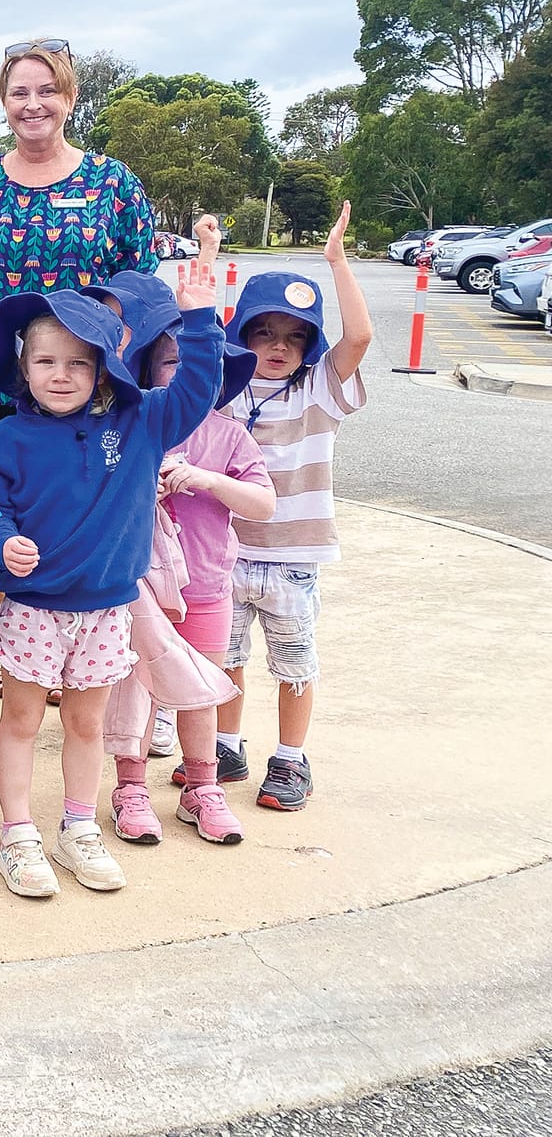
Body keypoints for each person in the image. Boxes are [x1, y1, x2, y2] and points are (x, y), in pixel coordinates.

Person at [0, 256, 220, 899]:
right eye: (46, 361)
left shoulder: (139, 421)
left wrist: (197, 317)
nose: (61, 375)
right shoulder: (2, 442)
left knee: (87, 726)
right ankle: (18, 833)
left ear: (104, 367)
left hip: (109, 609)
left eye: (79, 362)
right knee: (22, 722)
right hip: (33, 608)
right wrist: (4, 544)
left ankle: (78, 827)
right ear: (23, 366)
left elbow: (197, 389)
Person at [0, 38, 159, 698]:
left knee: (74, 512)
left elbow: (141, 290)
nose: (32, 104)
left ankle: (76, 650)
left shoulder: (112, 183)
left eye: (46, 91)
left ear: (69, 97)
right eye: (18, 93)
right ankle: (23, 652)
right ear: (4, 103)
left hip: (83, 388)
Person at [99, 271, 270, 848]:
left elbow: (262, 503)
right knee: (137, 685)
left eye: (197, 362)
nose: (184, 371)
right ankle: (131, 787)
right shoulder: (138, 426)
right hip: (141, 585)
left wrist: (206, 480)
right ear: (148, 370)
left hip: (207, 587)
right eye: (169, 362)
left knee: (202, 686)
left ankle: (204, 787)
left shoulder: (230, 437)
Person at [215, 204, 373, 813]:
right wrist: (206, 255)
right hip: (229, 550)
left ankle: (290, 757)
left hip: (294, 557)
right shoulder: (224, 388)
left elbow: (358, 338)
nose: (278, 346)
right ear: (243, 335)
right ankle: (227, 744)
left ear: (309, 344)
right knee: (225, 657)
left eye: (294, 335)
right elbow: (196, 336)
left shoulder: (320, 388)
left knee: (293, 662)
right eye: (264, 332)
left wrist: (336, 262)